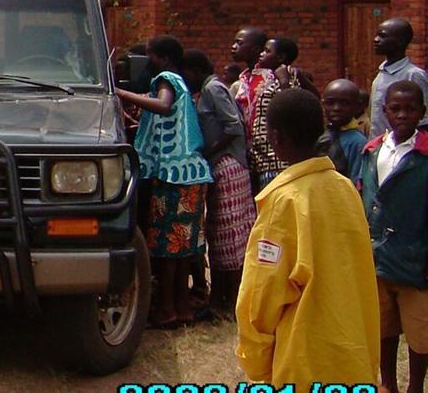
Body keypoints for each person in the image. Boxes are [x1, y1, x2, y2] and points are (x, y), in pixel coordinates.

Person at [236, 88, 379, 387]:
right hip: (353, 355)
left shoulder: (283, 202)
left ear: (276, 138)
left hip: (304, 364)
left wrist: (256, 360)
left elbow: (262, 294)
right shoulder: (345, 189)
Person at [115, 35, 212, 329]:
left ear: (164, 58)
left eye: (151, 56)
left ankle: (166, 309)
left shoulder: (167, 78)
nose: (148, 63)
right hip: (190, 174)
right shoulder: (181, 81)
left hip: (173, 176)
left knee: (167, 248)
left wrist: (121, 93)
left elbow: (163, 106)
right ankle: (182, 307)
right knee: (183, 247)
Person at [358, 80, 428, 393]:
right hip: (378, 259)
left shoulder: (424, 155)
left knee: (420, 334)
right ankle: (388, 383)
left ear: (422, 113)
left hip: (416, 261)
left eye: (410, 109)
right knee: (383, 328)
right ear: (384, 111)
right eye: (395, 108)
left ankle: (415, 385)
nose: (402, 114)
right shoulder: (371, 151)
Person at [183, 49, 254, 320]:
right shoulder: (209, 90)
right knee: (219, 234)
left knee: (231, 237)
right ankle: (219, 299)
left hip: (228, 165)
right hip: (220, 165)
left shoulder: (213, 88)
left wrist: (209, 152)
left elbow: (233, 127)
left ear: (195, 70)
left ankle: (233, 302)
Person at [247, 37, 311, 192]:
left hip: (276, 163)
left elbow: (291, 110)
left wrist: (284, 82)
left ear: (281, 57)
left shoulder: (287, 80)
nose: (261, 54)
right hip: (264, 161)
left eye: (267, 51)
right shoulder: (269, 79)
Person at [371, 18, 428, 138]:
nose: (376, 40)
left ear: (400, 41)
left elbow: (424, 122)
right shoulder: (381, 73)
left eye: (383, 36)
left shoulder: (413, 75)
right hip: (380, 148)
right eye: (376, 35)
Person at [319, 78, 367, 180]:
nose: (336, 108)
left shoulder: (358, 142)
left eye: (344, 103)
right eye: (330, 103)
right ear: (323, 104)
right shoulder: (321, 135)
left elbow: (356, 181)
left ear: (358, 107)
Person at [231, 27, 271, 137]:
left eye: (239, 43)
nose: (233, 47)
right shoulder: (243, 79)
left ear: (256, 49)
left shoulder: (270, 78)